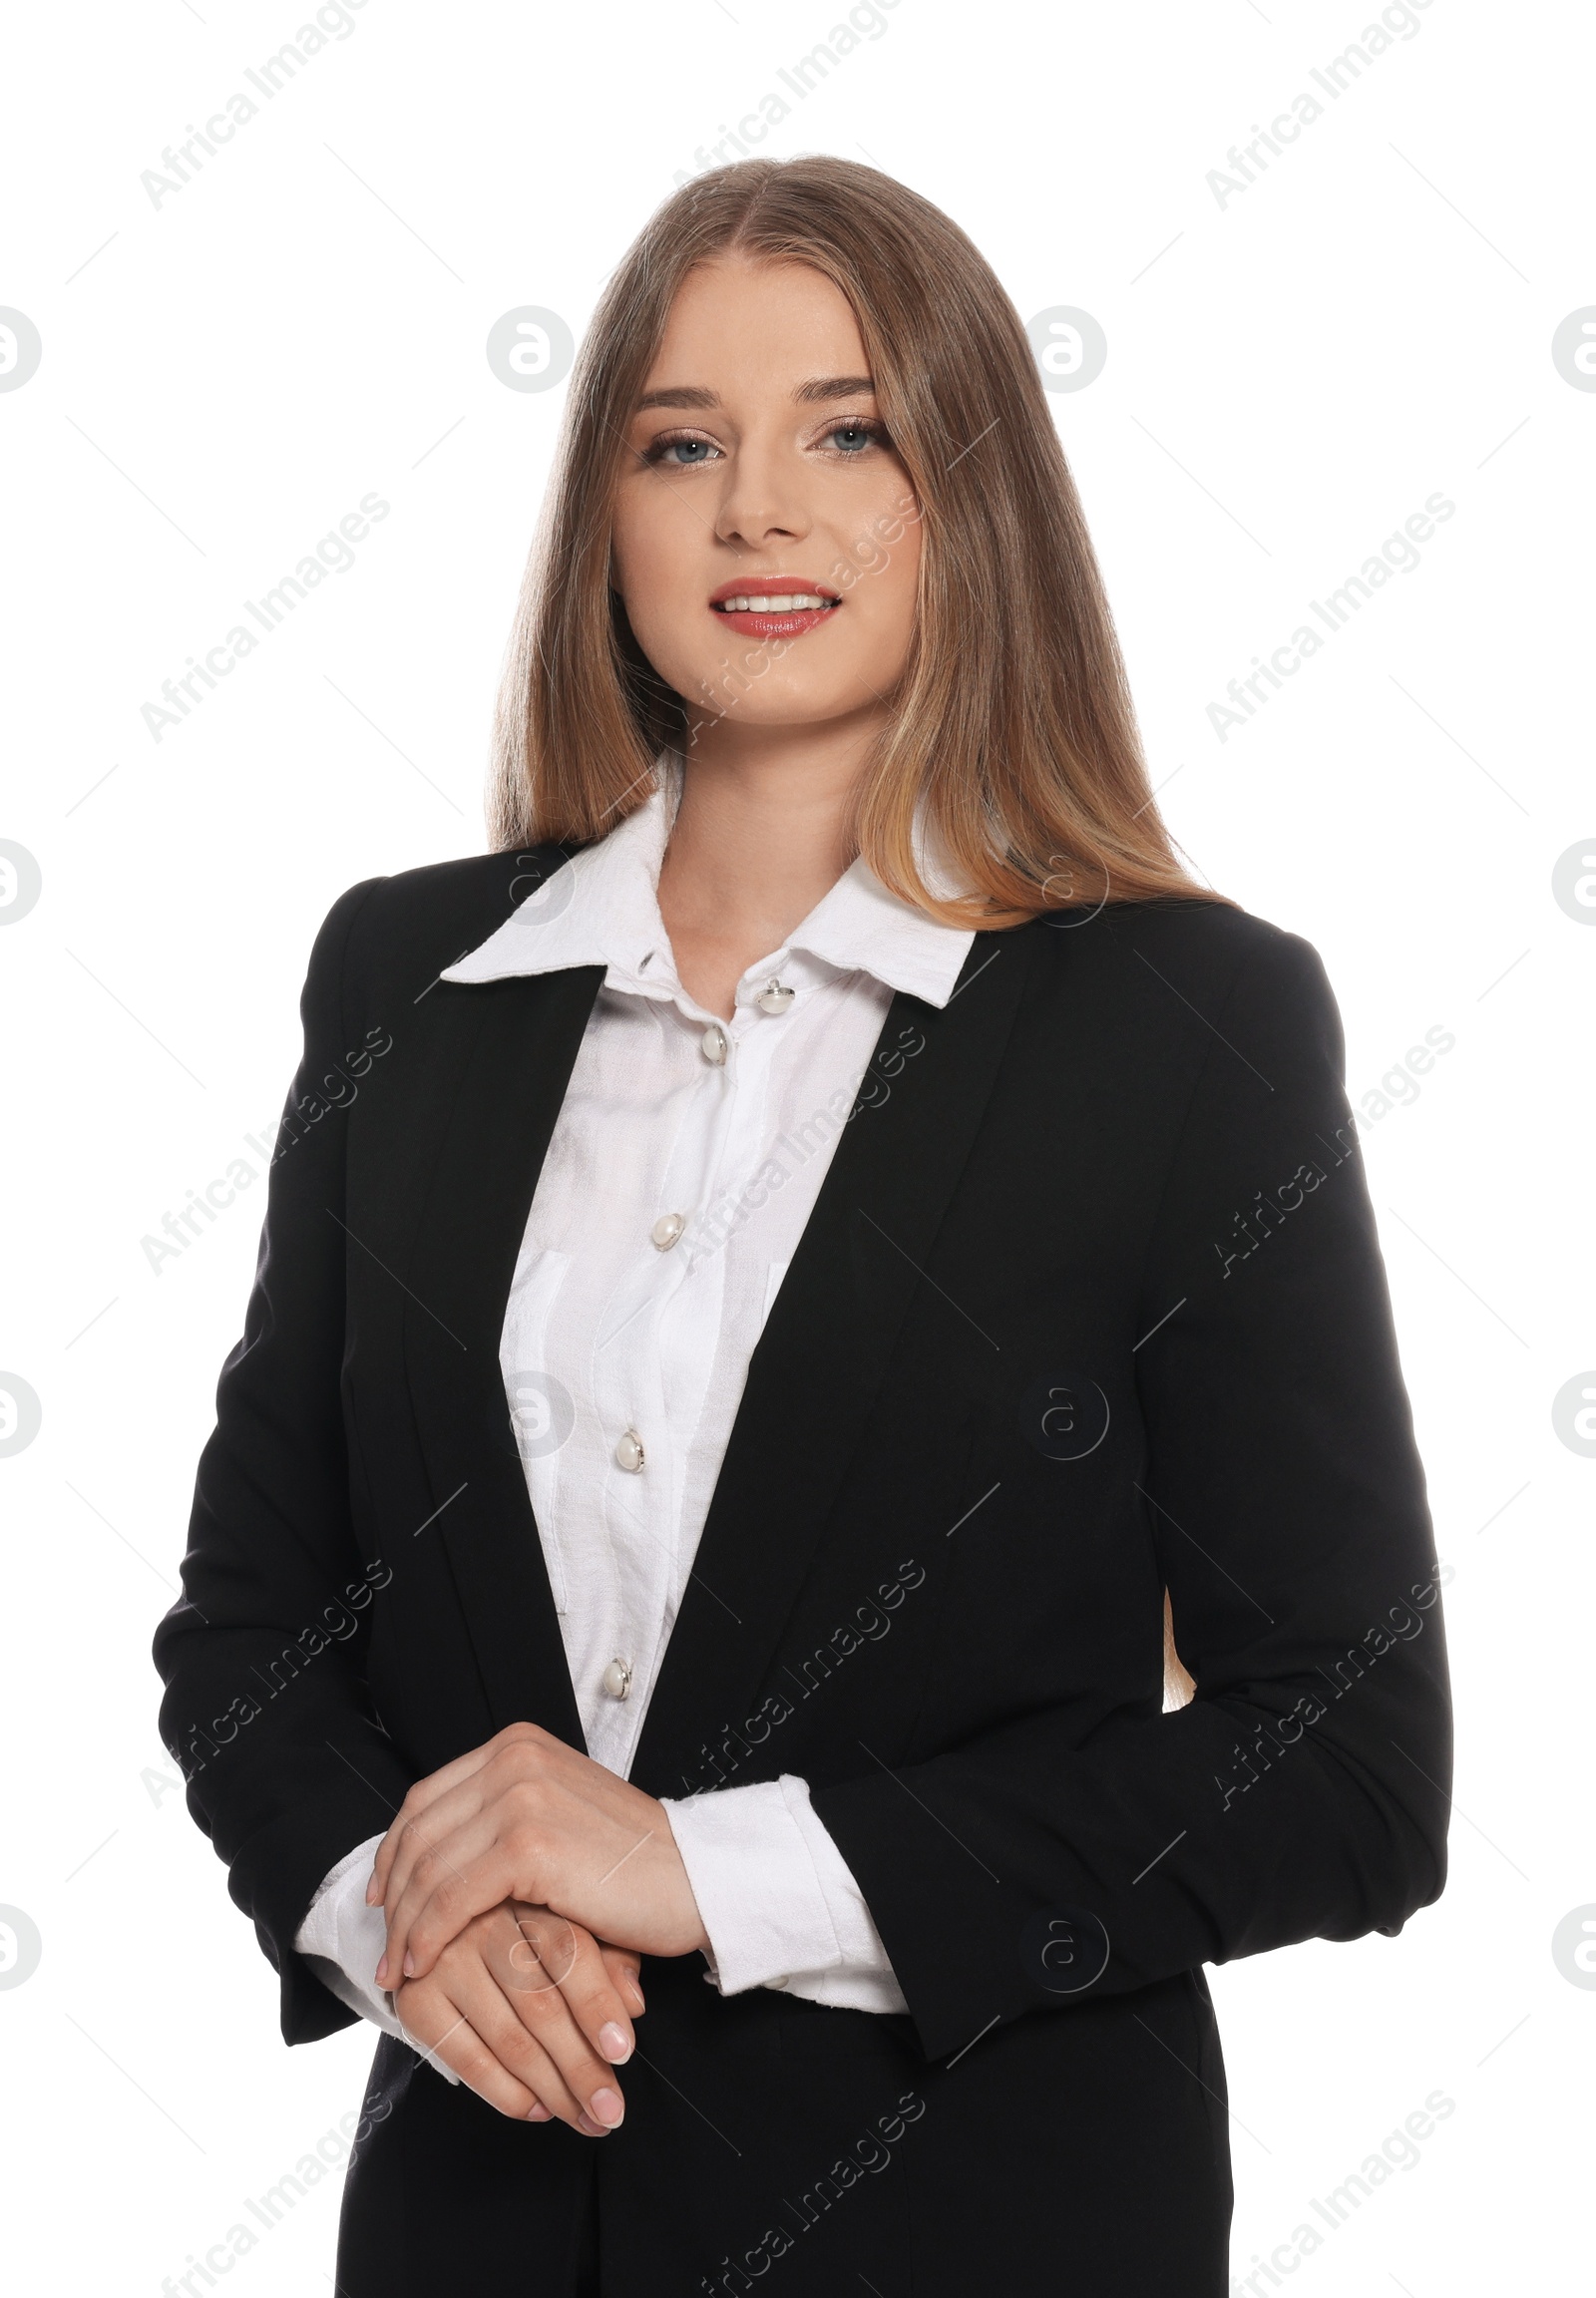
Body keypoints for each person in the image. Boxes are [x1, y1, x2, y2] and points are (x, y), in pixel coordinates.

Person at [154, 156, 1451, 2297]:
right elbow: (250, 1619)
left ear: (971, 497)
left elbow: (1340, 1762)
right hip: (478, 2225)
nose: (758, 508)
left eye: (846, 431)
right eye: (683, 445)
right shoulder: (406, 987)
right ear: (609, 517)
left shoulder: (1182, 1025)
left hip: (986, 2230)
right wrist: (386, 1896)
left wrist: (702, 1869)